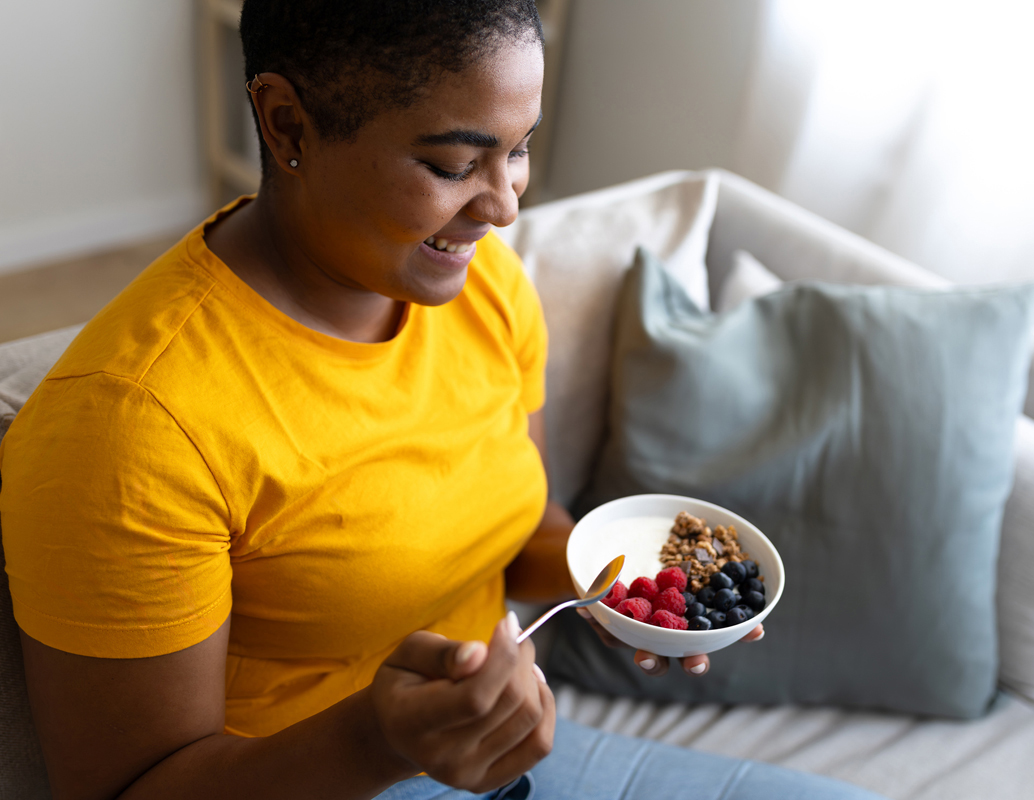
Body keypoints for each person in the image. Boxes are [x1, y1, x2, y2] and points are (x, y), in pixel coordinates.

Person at [0, 2, 884, 798]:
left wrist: (620, 592)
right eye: (455, 162)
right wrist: (379, 738)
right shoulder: (129, 426)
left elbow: (525, 524)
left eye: (521, 147)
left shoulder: (482, 285)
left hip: (497, 763)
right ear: (286, 123)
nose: (502, 205)